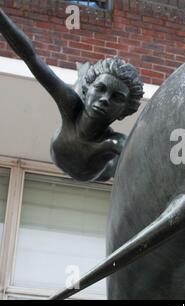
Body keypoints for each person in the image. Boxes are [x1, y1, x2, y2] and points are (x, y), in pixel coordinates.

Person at [0, 8, 144, 181]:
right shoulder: (70, 106)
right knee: (75, 94)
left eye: (117, 98)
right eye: (100, 89)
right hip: (67, 137)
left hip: (102, 171)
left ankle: (85, 75)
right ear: (88, 90)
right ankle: (84, 74)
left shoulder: (114, 142)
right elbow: (31, 57)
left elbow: (143, 163)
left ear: (125, 111)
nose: (105, 99)